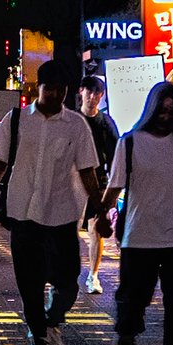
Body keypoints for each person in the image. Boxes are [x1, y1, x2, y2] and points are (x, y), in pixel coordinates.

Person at [0, 61, 103, 345]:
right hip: (23, 214)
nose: (56, 95)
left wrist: (100, 209)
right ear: (37, 88)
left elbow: (88, 170)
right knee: (30, 285)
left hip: (62, 214)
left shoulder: (76, 125)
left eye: (61, 90)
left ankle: (50, 321)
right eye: (50, 88)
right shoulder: (16, 120)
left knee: (68, 282)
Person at [106, 81, 173, 345]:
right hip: (139, 234)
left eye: (171, 112)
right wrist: (102, 213)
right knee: (133, 295)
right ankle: (127, 329)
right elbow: (116, 184)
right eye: (161, 111)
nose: (166, 116)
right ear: (151, 110)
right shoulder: (130, 142)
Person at [75, 75, 120, 295]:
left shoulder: (106, 123)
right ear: (81, 92)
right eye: (89, 92)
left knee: (95, 230)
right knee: (69, 230)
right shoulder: (72, 120)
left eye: (97, 94)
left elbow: (116, 156)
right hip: (72, 183)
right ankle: (67, 272)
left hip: (99, 182)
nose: (93, 98)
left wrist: (113, 187)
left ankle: (93, 275)